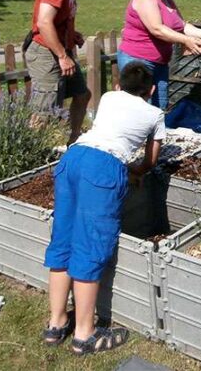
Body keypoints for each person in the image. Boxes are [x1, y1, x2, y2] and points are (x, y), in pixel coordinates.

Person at [42, 62, 165, 355]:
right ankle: (85, 334)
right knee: (91, 246)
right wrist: (136, 170)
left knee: (64, 240)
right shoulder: (155, 114)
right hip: (103, 168)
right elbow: (151, 159)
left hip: (74, 158)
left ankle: (56, 323)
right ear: (152, 90)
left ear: (119, 85)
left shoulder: (109, 97)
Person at [24, 0, 93, 144]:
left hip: (62, 50)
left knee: (82, 95)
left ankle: (72, 142)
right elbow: (44, 22)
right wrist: (62, 56)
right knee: (43, 112)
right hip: (48, 54)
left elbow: (55, 20)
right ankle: (32, 154)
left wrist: (72, 35)